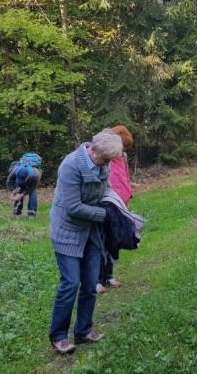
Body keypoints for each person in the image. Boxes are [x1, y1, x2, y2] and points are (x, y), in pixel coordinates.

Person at [48, 129, 123, 353]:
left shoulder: (103, 164)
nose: (106, 165)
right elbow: (72, 207)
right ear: (93, 149)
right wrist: (104, 215)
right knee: (70, 283)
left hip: (92, 233)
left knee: (90, 284)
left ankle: (83, 332)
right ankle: (59, 336)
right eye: (105, 159)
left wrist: (115, 206)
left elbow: (106, 188)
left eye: (109, 161)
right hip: (67, 232)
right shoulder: (71, 166)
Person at [97, 125, 134, 293]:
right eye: (121, 147)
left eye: (125, 148)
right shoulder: (105, 159)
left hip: (121, 204)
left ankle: (109, 276)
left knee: (114, 240)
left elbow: (125, 177)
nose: (122, 151)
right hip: (106, 204)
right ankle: (97, 279)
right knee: (101, 241)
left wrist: (128, 194)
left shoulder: (123, 158)